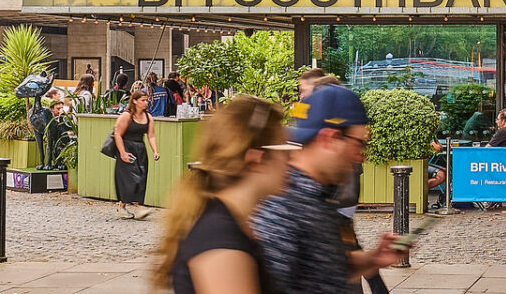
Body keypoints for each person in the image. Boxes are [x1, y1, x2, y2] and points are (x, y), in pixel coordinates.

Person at [252, 84, 410, 294]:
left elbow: (325, 271)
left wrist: (373, 258)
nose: (361, 155)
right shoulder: (283, 206)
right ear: (331, 139)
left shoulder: (320, 195)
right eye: (359, 143)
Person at [154, 96, 299, 294]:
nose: (291, 161)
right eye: (284, 151)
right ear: (257, 160)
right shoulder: (221, 239)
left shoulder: (228, 223)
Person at [113, 89, 161, 219]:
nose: (146, 103)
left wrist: (155, 151)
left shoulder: (148, 117)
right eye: (143, 100)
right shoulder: (126, 116)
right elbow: (117, 134)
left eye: (147, 100)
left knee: (141, 176)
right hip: (127, 148)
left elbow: (151, 136)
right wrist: (122, 153)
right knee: (130, 178)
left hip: (140, 149)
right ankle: (137, 207)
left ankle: (123, 206)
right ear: (135, 101)